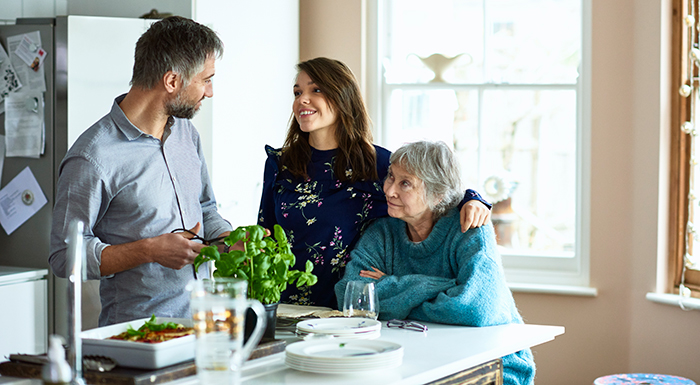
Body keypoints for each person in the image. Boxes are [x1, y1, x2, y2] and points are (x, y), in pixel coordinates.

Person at [258, 57, 492, 309]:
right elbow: (265, 233)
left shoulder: (377, 163)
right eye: (297, 92)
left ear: (342, 96)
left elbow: (433, 191)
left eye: (316, 90)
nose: (302, 99)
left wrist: (474, 198)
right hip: (283, 306)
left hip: (350, 309)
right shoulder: (279, 163)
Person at [49, 16, 231, 326]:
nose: (210, 91)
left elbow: (204, 209)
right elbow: (65, 256)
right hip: (137, 333)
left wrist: (229, 239)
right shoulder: (93, 156)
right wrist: (149, 250)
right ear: (172, 81)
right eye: (206, 79)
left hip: (200, 325)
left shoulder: (186, 134)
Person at [335, 141, 535, 385]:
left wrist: (390, 289)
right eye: (391, 177)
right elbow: (352, 295)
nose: (389, 190)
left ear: (438, 193)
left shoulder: (470, 228)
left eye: (405, 183)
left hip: (492, 363)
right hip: (418, 359)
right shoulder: (383, 232)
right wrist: (443, 286)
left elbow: (474, 308)